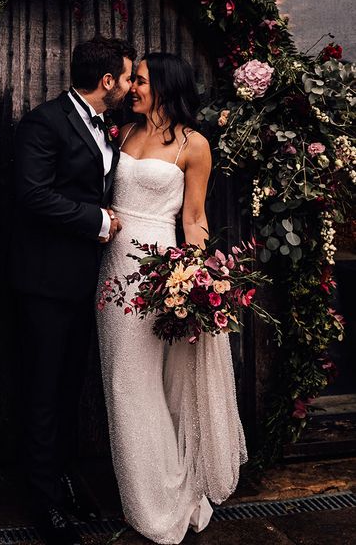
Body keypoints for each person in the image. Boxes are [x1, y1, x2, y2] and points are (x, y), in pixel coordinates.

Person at [96, 52, 248, 544]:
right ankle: (152, 493)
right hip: (114, 268)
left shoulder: (194, 144)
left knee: (147, 381)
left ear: (163, 84)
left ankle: (167, 498)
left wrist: (196, 276)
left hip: (160, 270)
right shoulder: (121, 134)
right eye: (131, 79)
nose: (130, 87)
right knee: (123, 379)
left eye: (138, 80)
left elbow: (195, 217)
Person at [11, 35, 136, 545]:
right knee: (43, 393)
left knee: (67, 391)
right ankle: (45, 506)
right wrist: (97, 219)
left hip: (85, 280)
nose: (130, 86)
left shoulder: (106, 125)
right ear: (107, 81)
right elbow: (32, 195)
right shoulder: (46, 122)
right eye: (127, 77)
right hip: (44, 283)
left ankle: (62, 482)